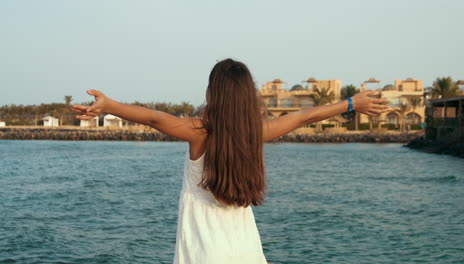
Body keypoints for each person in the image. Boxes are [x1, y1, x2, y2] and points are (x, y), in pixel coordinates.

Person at [71, 58, 388, 264]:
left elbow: (156, 119)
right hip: (248, 254)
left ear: (212, 93)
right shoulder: (257, 132)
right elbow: (305, 115)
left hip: (204, 255)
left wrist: (109, 104)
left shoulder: (199, 132)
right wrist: (350, 103)